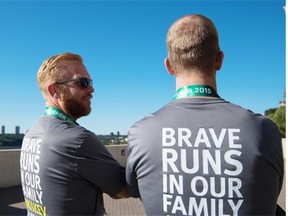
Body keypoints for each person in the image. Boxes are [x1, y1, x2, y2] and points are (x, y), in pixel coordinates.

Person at [126, 14, 284, 215]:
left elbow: (136, 190)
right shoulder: (264, 130)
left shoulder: (141, 133)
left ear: (169, 66)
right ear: (219, 60)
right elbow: (270, 191)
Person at [20, 52, 129, 216]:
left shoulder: (31, 134)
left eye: (90, 82)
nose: (91, 89)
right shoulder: (78, 139)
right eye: (82, 82)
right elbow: (122, 190)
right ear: (55, 90)